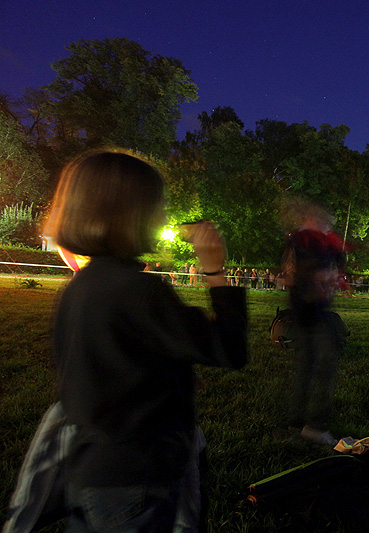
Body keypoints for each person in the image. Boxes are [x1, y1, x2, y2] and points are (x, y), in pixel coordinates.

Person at [41, 149, 248, 531]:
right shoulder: (140, 290)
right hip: (138, 480)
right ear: (129, 213)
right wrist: (216, 270)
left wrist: (170, 376)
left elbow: (108, 366)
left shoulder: (81, 287)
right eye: (160, 205)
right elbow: (230, 348)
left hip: (90, 470)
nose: (165, 217)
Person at [282, 203, 346, 446]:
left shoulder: (307, 242)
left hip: (307, 310)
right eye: (325, 223)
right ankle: (316, 425)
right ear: (314, 220)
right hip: (312, 311)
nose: (328, 229)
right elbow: (297, 273)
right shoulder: (304, 242)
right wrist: (322, 278)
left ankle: (296, 423)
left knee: (306, 366)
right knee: (325, 365)